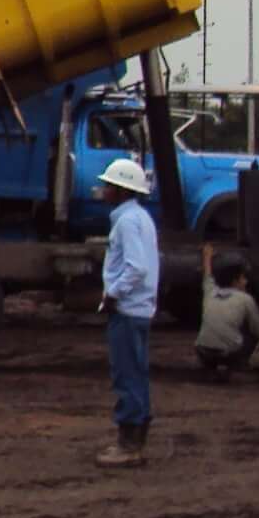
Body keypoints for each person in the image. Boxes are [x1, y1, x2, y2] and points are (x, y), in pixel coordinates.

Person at [93, 155, 159, 468]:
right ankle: (136, 438)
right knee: (136, 372)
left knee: (126, 374)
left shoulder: (127, 222)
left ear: (121, 190)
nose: (103, 189)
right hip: (140, 309)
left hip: (128, 309)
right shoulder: (140, 218)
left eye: (108, 185)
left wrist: (113, 294)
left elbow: (136, 268)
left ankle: (129, 444)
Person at [194, 251, 259, 381]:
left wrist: (207, 256)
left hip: (202, 352)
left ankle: (211, 368)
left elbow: (207, 275)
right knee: (252, 328)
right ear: (235, 281)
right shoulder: (245, 298)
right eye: (243, 278)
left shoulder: (210, 291)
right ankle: (238, 365)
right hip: (228, 353)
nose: (246, 281)